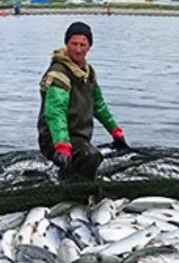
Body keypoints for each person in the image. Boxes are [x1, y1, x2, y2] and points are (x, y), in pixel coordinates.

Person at [37, 22, 128, 181]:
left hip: (78, 138)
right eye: (74, 44)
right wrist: (61, 145)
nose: (78, 49)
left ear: (89, 47)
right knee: (91, 157)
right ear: (67, 44)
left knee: (90, 158)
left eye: (83, 45)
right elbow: (55, 112)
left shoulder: (88, 72)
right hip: (54, 138)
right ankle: (72, 191)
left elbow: (98, 105)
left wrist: (115, 131)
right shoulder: (59, 73)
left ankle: (72, 183)